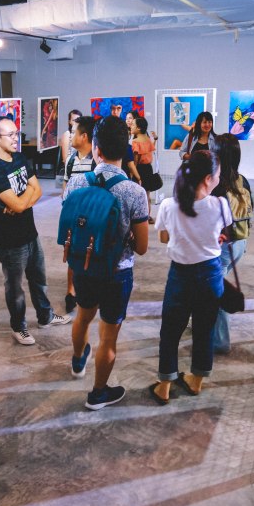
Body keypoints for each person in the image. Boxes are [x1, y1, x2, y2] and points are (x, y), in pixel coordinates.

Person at [63, 115, 149, 410]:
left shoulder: (76, 182)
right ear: (125, 150)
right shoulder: (135, 192)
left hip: (84, 265)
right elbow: (142, 248)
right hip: (117, 273)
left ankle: (78, 360)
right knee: (108, 337)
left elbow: (70, 223)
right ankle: (98, 394)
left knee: (83, 317)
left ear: (96, 149)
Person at [151, 149, 231, 405]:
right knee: (204, 329)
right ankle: (196, 382)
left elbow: (163, 237)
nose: (219, 178)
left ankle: (164, 386)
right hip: (210, 274)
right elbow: (221, 233)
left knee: (170, 331)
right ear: (208, 178)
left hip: (180, 274)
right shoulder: (221, 204)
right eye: (217, 174)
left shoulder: (168, 205)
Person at [0, 115, 71, 345]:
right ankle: (18, 327)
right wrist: (22, 201)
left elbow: (36, 191)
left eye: (16, 133)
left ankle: (45, 316)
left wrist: (20, 202)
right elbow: (23, 201)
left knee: (39, 280)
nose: (16, 138)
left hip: (30, 232)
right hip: (10, 240)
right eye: (10, 134)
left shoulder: (20, 158)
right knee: (15, 289)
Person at [210, 133, 252, 354]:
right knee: (214, 285)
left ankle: (220, 341)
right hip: (240, 242)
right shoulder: (242, 180)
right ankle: (206, 326)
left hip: (222, 246)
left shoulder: (215, 183)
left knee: (216, 291)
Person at [61, 116, 96, 313]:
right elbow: (66, 185)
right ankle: (71, 291)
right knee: (72, 252)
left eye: (74, 132)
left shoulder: (97, 160)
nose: (70, 135)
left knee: (91, 251)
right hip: (73, 216)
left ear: (84, 136)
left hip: (92, 216)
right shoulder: (71, 160)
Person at [130, 116, 157, 223]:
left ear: (139, 128)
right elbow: (151, 150)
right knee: (147, 195)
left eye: (133, 124)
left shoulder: (135, 142)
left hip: (139, 169)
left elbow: (135, 160)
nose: (131, 126)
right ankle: (148, 216)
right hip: (148, 169)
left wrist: (133, 173)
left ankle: (139, 217)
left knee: (138, 195)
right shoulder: (148, 140)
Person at [58, 109, 82, 183]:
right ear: (69, 122)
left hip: (81, 166)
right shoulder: (67, 134)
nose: (76, 122)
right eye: (74, 120)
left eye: (78, 120)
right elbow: (65, 159)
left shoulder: (82, 135)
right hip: (71, 168)